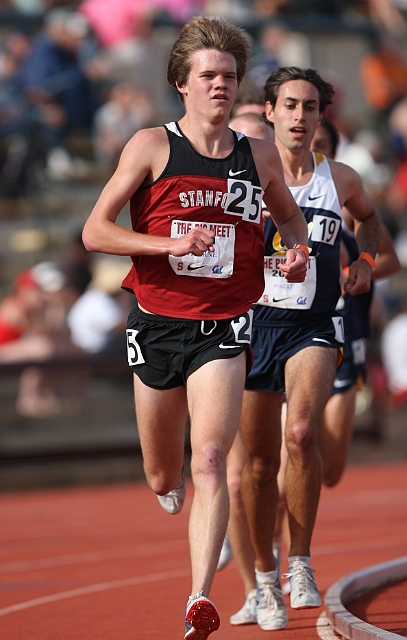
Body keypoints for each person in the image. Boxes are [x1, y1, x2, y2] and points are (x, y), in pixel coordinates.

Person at [81, 18, 308, 639]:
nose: (220, 86)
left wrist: (293, 252)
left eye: (230, 76)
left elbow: (289, 222)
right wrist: (167, 242)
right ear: (182, 83)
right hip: (156, 323)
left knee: (210, 458)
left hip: (224, 324)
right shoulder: (151, 146)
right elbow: (95, 231)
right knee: (166, 473)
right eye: (208, 75)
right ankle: (165, 481)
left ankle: (198, 598)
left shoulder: (257, 154)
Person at [235, 66, 380, 631]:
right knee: (258, 462)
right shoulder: (241, 174)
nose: (300, 116)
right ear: (269, 112)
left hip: (316, 325)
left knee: (301, 433)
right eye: (289, 105)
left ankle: (300, 562)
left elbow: (369, 222)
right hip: (252, 326)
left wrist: (364, 262)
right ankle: (265, 579)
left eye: (310, 107)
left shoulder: (338, 178)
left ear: (322, 117)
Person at [312, 118, 401, 487]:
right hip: (289, 333)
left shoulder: (349, 203)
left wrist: (358, 270)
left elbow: (390, 260)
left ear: (334, 154)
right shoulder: (272, 193)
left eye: (321, 144)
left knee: (329, 470)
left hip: (346, 337)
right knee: (292, 443)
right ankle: (274, 542)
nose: (310, 150)